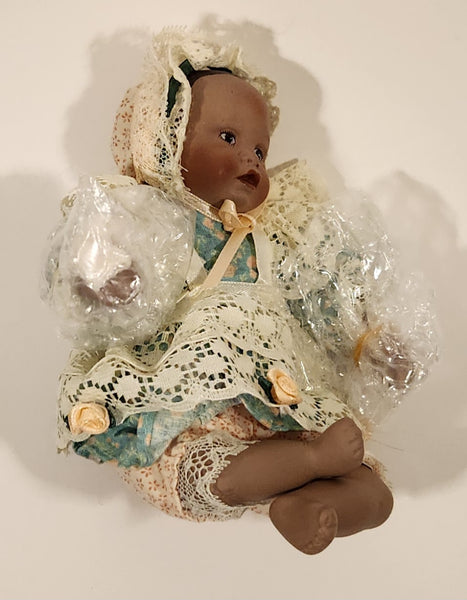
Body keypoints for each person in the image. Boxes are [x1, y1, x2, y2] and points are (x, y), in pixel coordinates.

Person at [44, 29, 435, 554]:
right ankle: (306, 464)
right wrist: (110, 284)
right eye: (228, 138)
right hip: (190, 398)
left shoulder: (275, 237)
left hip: (280, 399)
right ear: (164, 141)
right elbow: (89, 281)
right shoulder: (157, 224)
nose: (251, 159)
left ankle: (307, 503)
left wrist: (366, 345)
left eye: (259, 149)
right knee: (201, 466)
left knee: (375, 492)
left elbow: (314, 304)